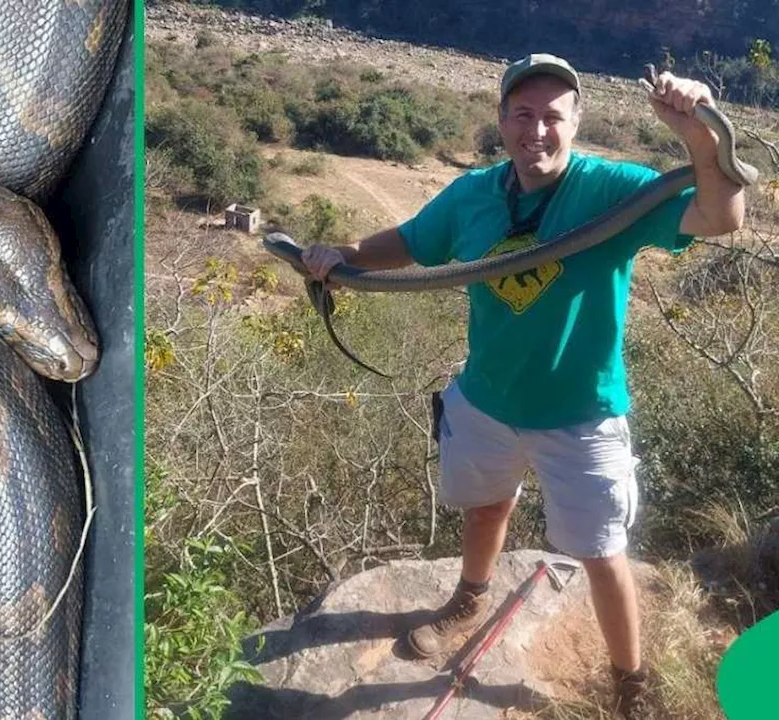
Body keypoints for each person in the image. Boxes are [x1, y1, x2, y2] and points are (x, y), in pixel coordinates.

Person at [300, 53, 745, 719]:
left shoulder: (610, 190)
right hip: (487, 401)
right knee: (485, 510)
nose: (537, 129)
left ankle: (631, 682)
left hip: (583, 415)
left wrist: (699, 133)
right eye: (523, 114)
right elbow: (414, 242)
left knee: (601, 554)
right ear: (503, 121)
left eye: (553, 117)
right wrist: (346, 256)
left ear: (577, 123)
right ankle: (470, 596)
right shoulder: (474, 194)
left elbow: (720, 216)